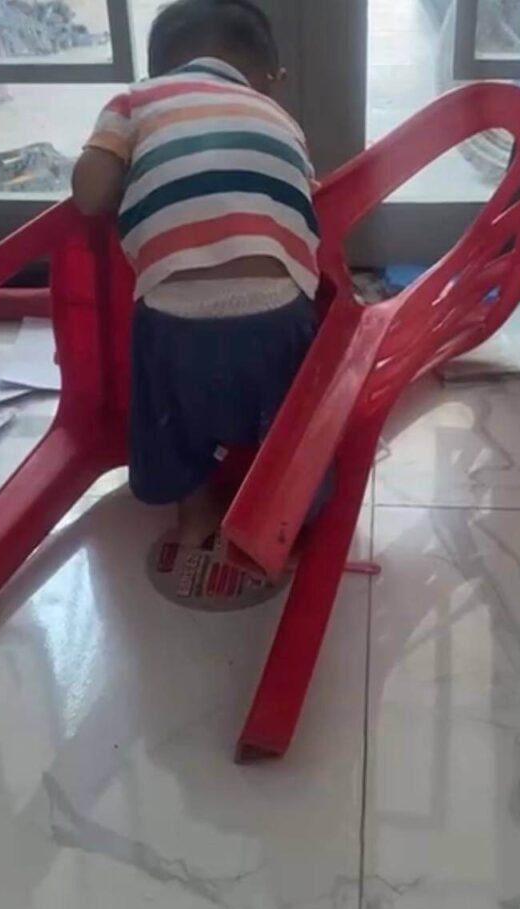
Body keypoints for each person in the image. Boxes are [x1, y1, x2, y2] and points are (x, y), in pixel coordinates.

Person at [71, 0, 320, 547]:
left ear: (159, 70)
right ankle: (286, 514)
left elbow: (89, 197)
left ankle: (196, 514)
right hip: (280, 309)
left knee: (170, 415)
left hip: (174, 314)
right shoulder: (280, 119)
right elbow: (305, 206)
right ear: (270, 80)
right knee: (292, 418)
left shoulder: (136, 100)